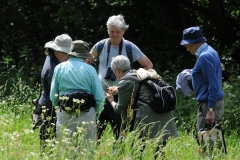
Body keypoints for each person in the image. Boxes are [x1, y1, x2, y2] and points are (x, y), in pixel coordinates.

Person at [87, 14, 153, 140]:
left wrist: (134, 83)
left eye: (118, 31)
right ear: (108, 30)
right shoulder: (100, 46)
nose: (115, 35)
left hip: (122, 97)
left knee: (120, 133)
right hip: (100, 96)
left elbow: (148, 65)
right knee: (95, 133)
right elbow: (87, 62)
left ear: (124, 31)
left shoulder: (129, 47)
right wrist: (92, 81)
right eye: (112, 31)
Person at [105, 55, 178, 158]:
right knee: (159, 151)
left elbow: (119, 109)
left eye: (114, 72)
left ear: (117, 70)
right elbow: (139, 88)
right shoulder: (139, 73)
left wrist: (111, 100)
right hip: (164, 115)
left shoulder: (125, 81)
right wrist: (118, 89)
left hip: (147, 117)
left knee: (137, 150)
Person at [50, 40, 105, 153]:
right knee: (87, 150)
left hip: (65, 112)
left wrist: (59, 109)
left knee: (65, 150)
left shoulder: (59, 68)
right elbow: (99, 97)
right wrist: (96, 114)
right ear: (85, 56)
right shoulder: (90, 69)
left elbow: (53, 95)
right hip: (87, 113)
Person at [180, 27, 224, 132]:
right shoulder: (210, 51)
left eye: (187, 45)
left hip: (208, 104)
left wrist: (211, 110)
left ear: (193, 43)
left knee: (207, 143)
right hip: (212, 102)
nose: (186, 48)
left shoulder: (204, 56)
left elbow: (212, 84)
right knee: (213, 141)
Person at [38, 34, 72, 149]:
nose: (67, 56)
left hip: (50, 106)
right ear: (57, 51)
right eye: (65, 53)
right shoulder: (51, 69)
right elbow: (58, 92)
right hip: (50, 109)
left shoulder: (52, 57)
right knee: (49, 146)